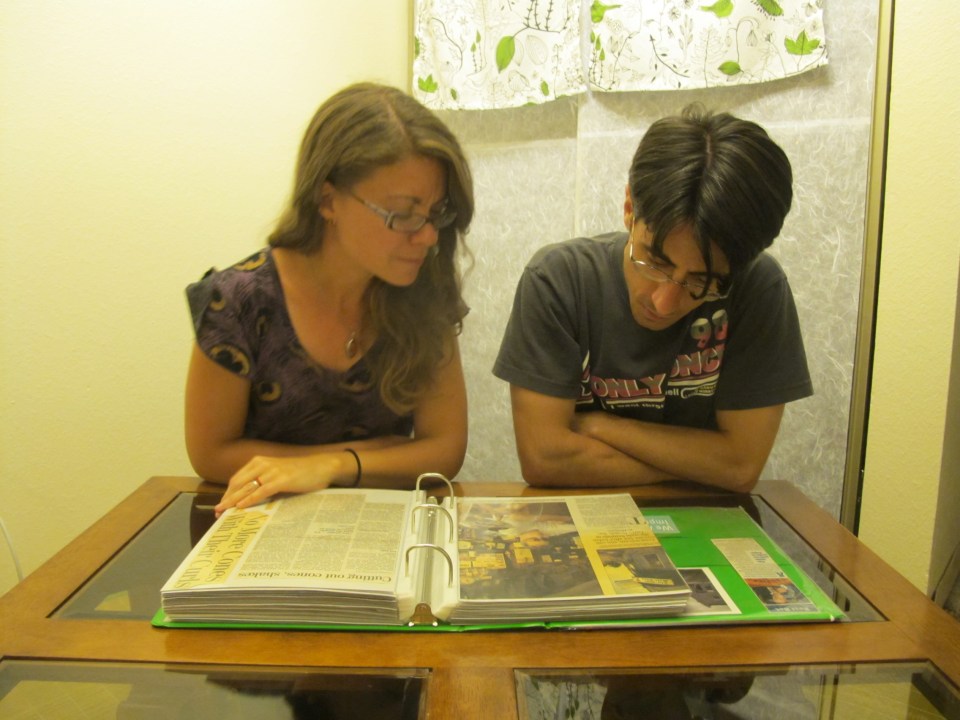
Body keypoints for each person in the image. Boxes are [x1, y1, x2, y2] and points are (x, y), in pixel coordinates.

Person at [184, 82, 474, 514]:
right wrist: (383, 452)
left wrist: (330, 466)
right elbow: (211, 453)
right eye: (402, 215)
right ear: (327, 200)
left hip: (381, 526)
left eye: (436, 213)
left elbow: (445, 450)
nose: (429, 236)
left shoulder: (424, 291)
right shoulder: (238, 301)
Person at [493, 105, 810, 493]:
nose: (663, 302)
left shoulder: (758, 287)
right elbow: (545, 460)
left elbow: (741, 468)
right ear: (630, 208)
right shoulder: (558, 280)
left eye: (702, 282)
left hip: (704, 519)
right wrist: (703, 464)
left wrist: (602, 426)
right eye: (654, 263)